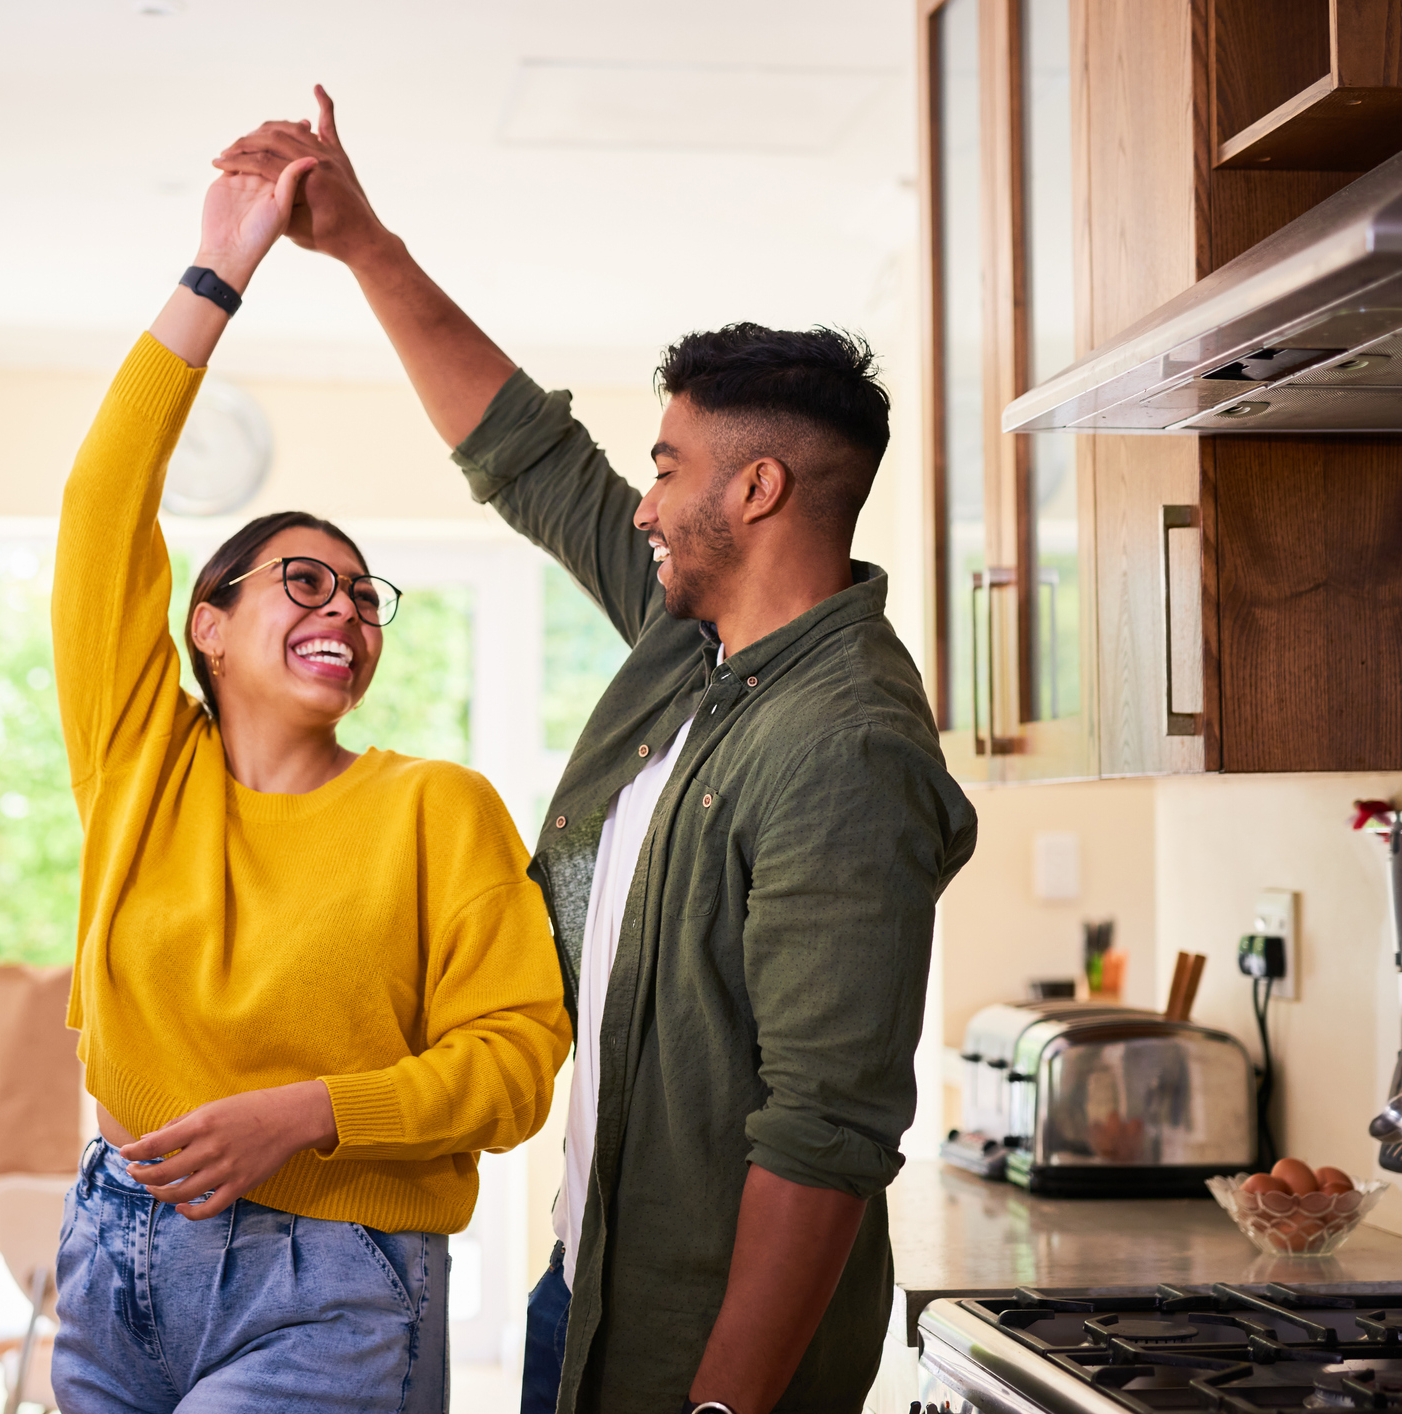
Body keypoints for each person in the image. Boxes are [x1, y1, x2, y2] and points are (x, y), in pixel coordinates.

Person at [216, 90, 980, 1414]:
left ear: (753, 492)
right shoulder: (696, 646)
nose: (641, 500)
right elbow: (528, 457)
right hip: (590, 1289)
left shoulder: (841, 747)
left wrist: (721, 1408)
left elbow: (826, 1134)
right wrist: (359, 242)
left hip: (702, 1353)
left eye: (668, 465)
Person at [48, 151, 573, 1414]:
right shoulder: (138, 765)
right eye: (302, 579)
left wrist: (308, 1114)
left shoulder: (433, 807)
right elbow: (100, 507)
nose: (345, 605)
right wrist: (220, 269)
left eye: (361, 593)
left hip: (331, 1283)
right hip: (111, 1258)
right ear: (207, 626)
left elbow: (515, 1060)